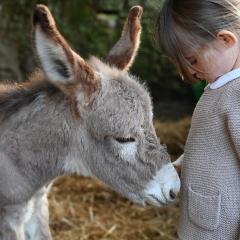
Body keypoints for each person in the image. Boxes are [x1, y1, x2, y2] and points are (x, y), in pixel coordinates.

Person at [156, 0, 240, 239]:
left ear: (226, 40)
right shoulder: (218, 88)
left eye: (192, 60)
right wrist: (180, 166)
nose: (188, 74)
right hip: (202, 222)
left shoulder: (236, 94)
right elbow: (212, 148)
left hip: (221, 229)